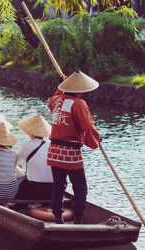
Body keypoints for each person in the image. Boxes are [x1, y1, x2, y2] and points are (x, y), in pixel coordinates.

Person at [47, 70, 101, 224]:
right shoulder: (79, 104)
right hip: (70, 152)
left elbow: (54, 98)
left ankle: (58, 217)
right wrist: (97, 139)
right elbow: (87, 126)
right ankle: (78, 220)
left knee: (58, 186)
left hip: (54, 152)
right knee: (80, 188)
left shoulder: (56, 101)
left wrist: (61, 86)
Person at [16, 114, 53, 200]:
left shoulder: (26, 144)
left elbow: (13, 164)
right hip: (53, 190)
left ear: (30, 132)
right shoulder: (51, 145)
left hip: (34, 190)